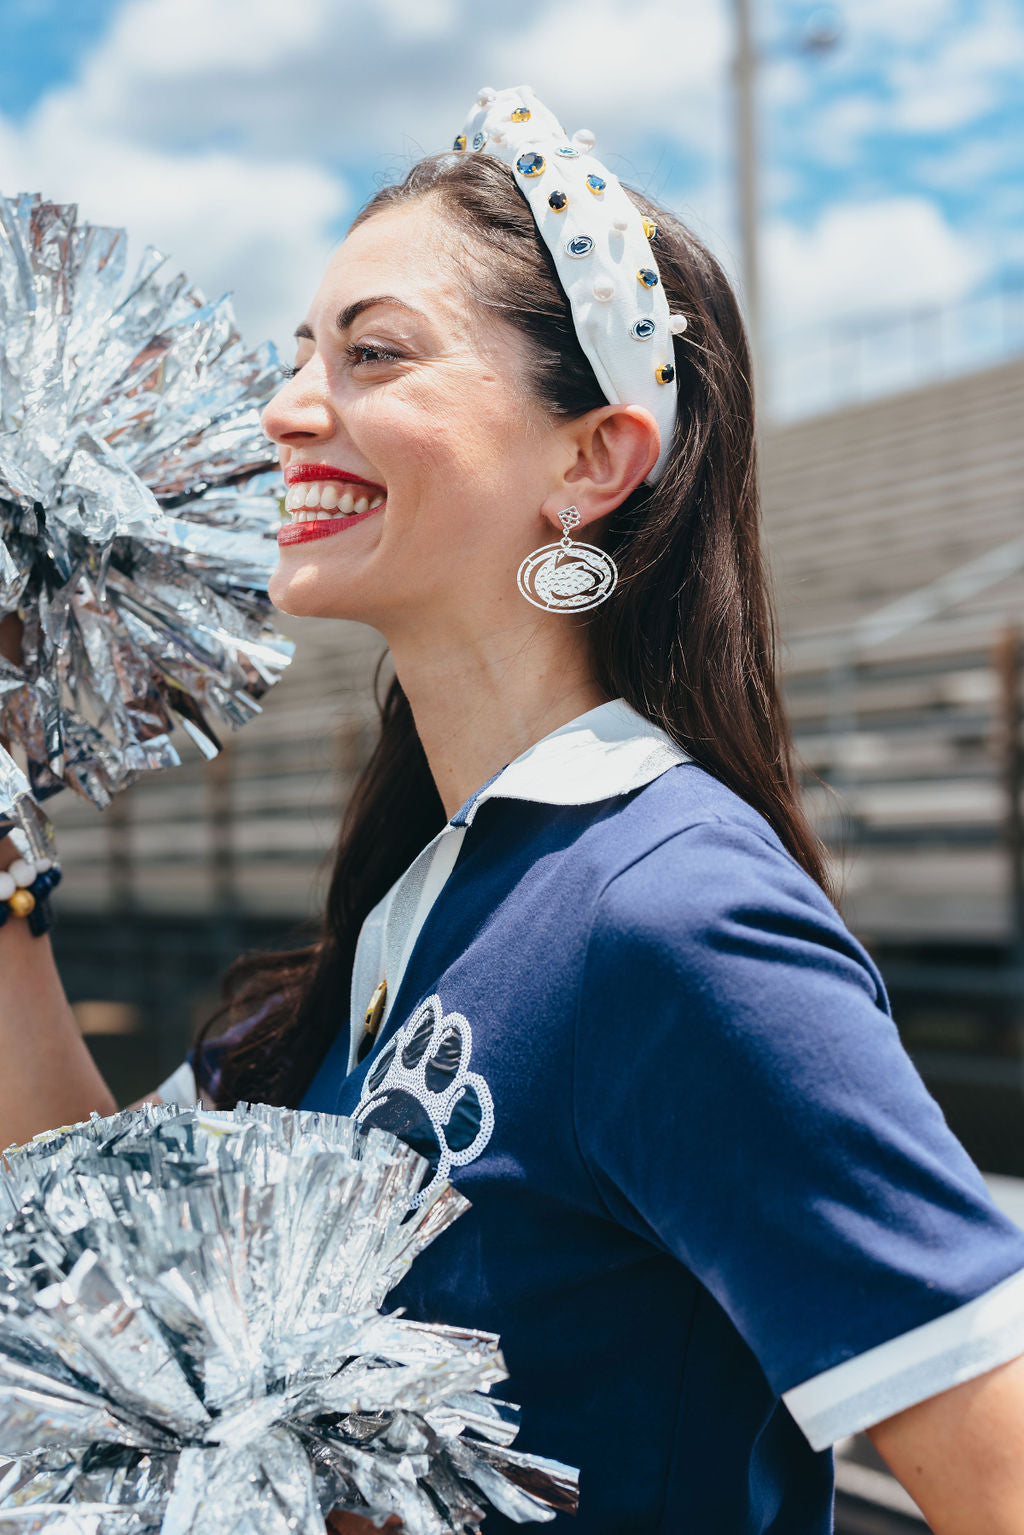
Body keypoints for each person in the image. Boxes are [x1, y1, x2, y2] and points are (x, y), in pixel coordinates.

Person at [3, 85, 1024, 1534]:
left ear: (592, 459)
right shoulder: (406, 914)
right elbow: (79, 1254)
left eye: (374, 354)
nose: (290, 406)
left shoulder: (673, 917)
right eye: (302, 353)